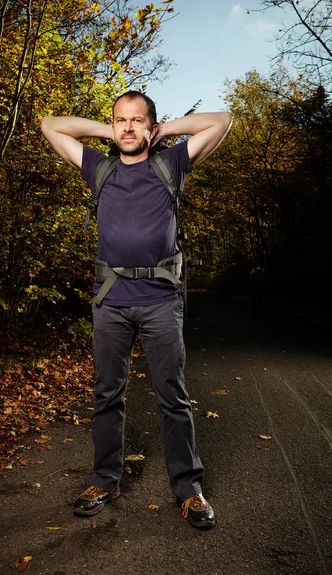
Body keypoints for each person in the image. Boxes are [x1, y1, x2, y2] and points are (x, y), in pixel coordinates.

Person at [41, 91, 232, 528]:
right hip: (111, 301)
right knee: (107, 395)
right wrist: (104, 129)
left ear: (151, 125)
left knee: (173, 397)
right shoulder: (99, 168)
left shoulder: (171, 165)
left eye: (137, 120)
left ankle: (189, 489)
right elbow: (50, 124)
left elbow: (222, 119)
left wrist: (163, 131)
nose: (127, 127)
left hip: (161, 302)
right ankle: (104, 480)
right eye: (120, 121)